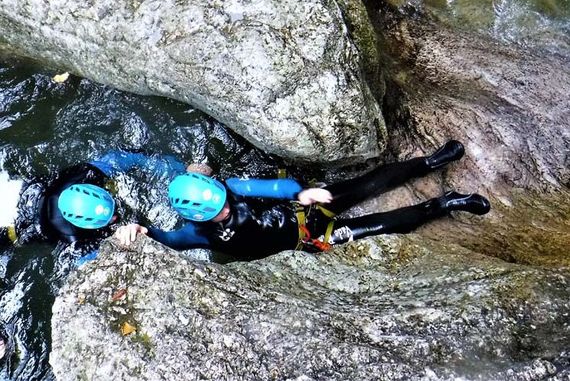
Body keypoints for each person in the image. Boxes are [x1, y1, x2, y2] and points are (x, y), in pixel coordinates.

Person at [117, 140, 490, 260]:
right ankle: (444, 204)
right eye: (220, 210)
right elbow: (170, 241)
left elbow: (270, 190)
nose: (227, 206)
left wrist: (301, 192)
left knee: (362, 186)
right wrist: (141, 230)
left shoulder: (228, 186)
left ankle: (429, 161)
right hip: (306, 241)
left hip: (302, 210)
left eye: (222, 200)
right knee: (378, 226)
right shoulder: (199, 233)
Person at [4, 150, 186, 246]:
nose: (116, 217)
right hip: (14, 221)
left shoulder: (87, 174)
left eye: (113, 209)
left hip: (27, 190)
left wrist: (177, 172)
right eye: (111, 218)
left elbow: (127, 158)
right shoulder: (73, 239)